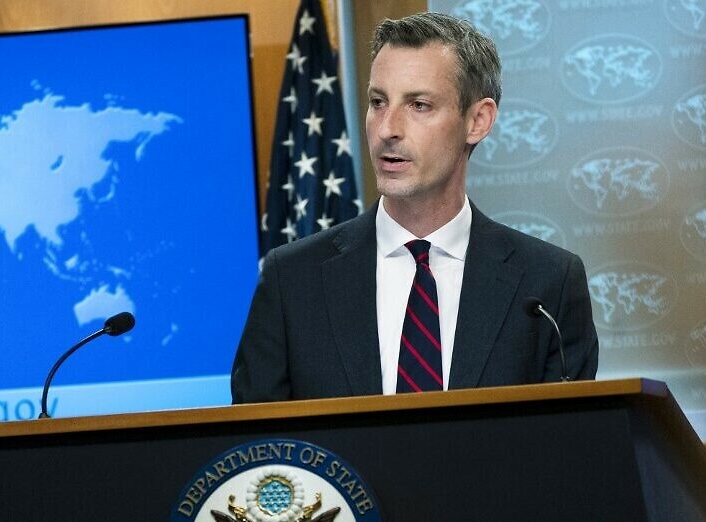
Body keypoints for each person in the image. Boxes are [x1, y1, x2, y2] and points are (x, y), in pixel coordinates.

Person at [231, 12, 598, 403]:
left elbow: (567, 452)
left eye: (419, 105)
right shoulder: (292, 281)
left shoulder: (548, 285)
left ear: (477, 120)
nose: (388, 128)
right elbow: (257, 453)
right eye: (378, 102)